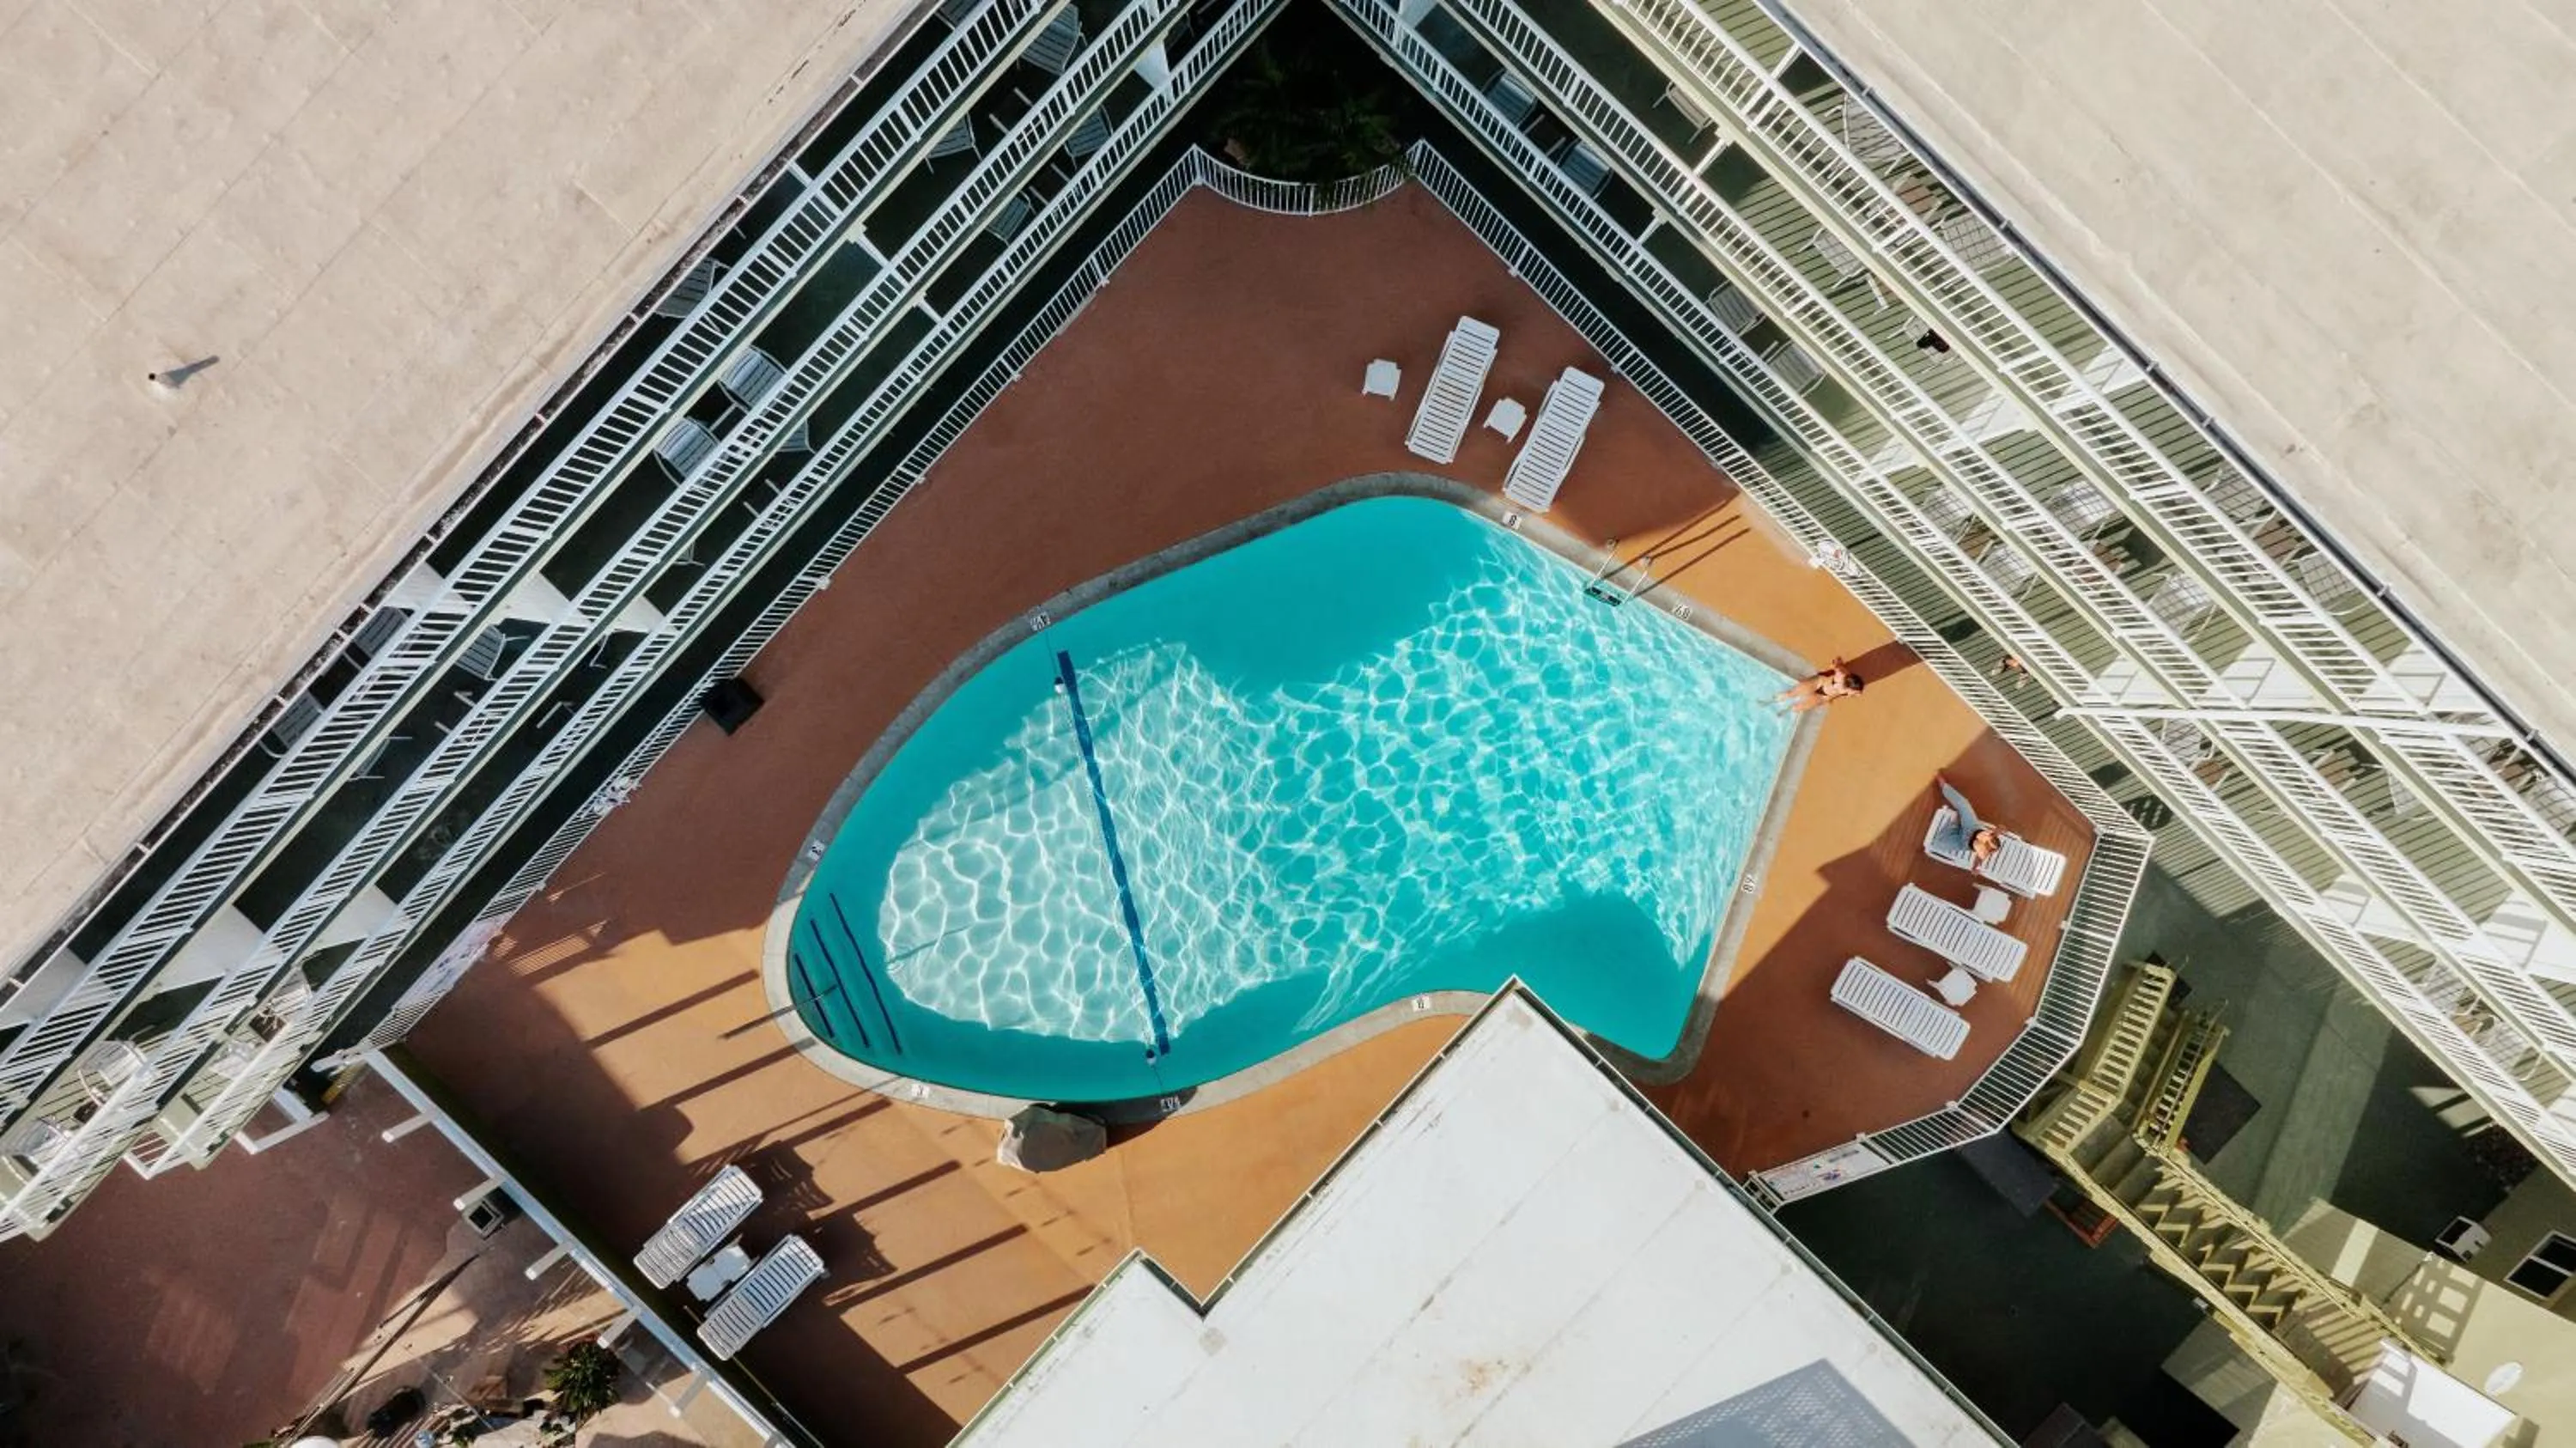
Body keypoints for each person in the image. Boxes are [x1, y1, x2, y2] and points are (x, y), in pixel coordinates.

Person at [1931, 772, 2004, 868]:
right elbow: (1997, 831)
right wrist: (2000, 829)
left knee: (1936, 844)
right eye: (1990, 842)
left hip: (1963, 843)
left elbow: (1979, 859)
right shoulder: (1991, 835)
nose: (1988, 845)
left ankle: (1955, 825)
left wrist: (1974, 867)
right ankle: (1943, 785)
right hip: (1971, 827)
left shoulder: (1983, 851)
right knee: (1963, 804)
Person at [1776, 657, 1865, 713]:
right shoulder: (1841, 673)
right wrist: (1834, 664)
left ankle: (1783, 711)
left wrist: (1853, 694)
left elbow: (1858, 693)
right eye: (1852, 691)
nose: (1853, 693)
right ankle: (1778, 697)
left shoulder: (1854, 692)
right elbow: (1837, 660)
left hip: (1823, 697)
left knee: (1797, 708)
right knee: (1790, 694)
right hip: (1820, 682)